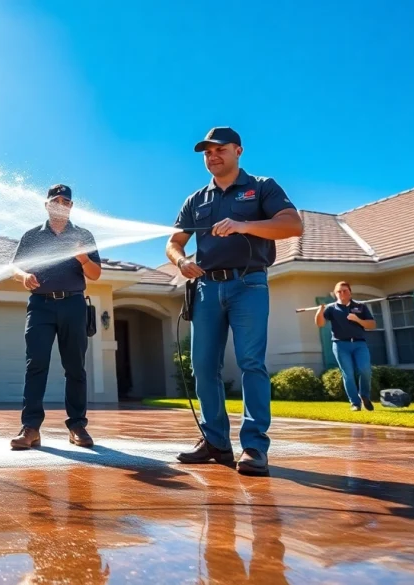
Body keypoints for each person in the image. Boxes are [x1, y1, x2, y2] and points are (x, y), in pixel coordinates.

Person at [166, 127, 303, 476]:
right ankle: (216, 442)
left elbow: (292, 225)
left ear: (238, 151)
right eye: (207, 153)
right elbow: (174, 241)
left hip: (249, 284)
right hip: (207, 289)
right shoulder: (196, 200)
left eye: (220, 150)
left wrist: (244, 225)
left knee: (250, 363)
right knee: (202, 367)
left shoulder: (262, 187)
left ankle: (255, 447)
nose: (212, 156)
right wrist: (181, 261)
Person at [8, 184, 102, 450]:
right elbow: (15, 266)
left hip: (73, 304)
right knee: (35, 364)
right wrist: (23, 275)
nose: (61, 204)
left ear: (71, 205)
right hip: (40, 306)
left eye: (66, 200)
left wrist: (83, 257)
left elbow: (95, 275)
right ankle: (31, 428)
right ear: (47, 204)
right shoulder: (32, 236)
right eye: (55, 200)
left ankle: (77, 426)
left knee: (75, 366)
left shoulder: (83, 235)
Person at [315, 281, 377, 411]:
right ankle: (355, 403)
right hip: (340, 344)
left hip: (359, 344)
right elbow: (320, 323)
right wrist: (320, 311)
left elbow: (372, 325)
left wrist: (357, 320)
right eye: (339, 291)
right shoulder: (331, 309)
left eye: (345, 291)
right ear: (335, 294)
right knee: (348, 374)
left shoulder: (360, 307)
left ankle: (364, 396)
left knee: (365, 370)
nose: (342, 293)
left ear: (350, 293)